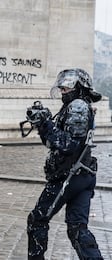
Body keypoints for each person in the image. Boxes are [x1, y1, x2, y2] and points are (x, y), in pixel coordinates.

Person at [26, 68, 103, 259]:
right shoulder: (79, 105)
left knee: (37, 220)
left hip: (68, 176)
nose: (62, 90)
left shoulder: (77, 106)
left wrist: (46, 124)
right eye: (61, 87)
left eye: (67, 87)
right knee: (77, 228)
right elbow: (54, 142)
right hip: (81, 174)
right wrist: (44, 125)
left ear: (79, 87)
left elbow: (67, 145)